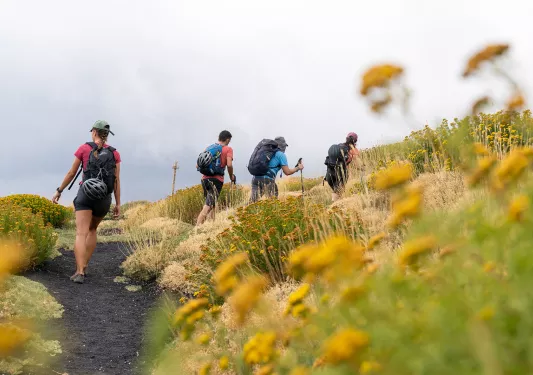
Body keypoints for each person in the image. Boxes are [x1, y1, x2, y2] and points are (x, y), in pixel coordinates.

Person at [52, 120, 121, 284]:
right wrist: (117, 203)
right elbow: (117, 180)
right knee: (92, 230)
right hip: (104, 197)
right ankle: (86, 265)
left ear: (94, 132)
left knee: (81, 233)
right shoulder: (114, 153)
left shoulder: (84, 148)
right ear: (107, 135)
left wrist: (59, 191)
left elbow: (71, 173)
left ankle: (79, 271)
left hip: (85, 194)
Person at [196, 130, 236, 226]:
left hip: (204, 179)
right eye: (229, 140)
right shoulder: (228, 149)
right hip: (216, 180)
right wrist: (231, 176)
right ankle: (196, 228)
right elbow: (229, 165)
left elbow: (197, 166)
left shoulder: (209, 148)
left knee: (212, 204)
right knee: (208, 205)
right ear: (227, 139)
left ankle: (211, 225)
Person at [249, 136, 304, 203]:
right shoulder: (281, 155)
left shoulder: (267, 151)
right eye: (285, 146)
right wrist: (298, 167)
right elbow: (287, 172)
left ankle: (241, 211)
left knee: (252, 202)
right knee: (273, 203)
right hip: (268, 180)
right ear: (283, 146)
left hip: (255, 178)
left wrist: (296, 168)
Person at [324, 132, 359, 202]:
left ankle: (334, 208)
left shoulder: (339, 145)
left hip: (329, 173)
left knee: (335, 192)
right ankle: (335, 209)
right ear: (355, 141)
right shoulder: (353, 150)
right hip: (340, 173)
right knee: (338, 193)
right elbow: (357, 165)